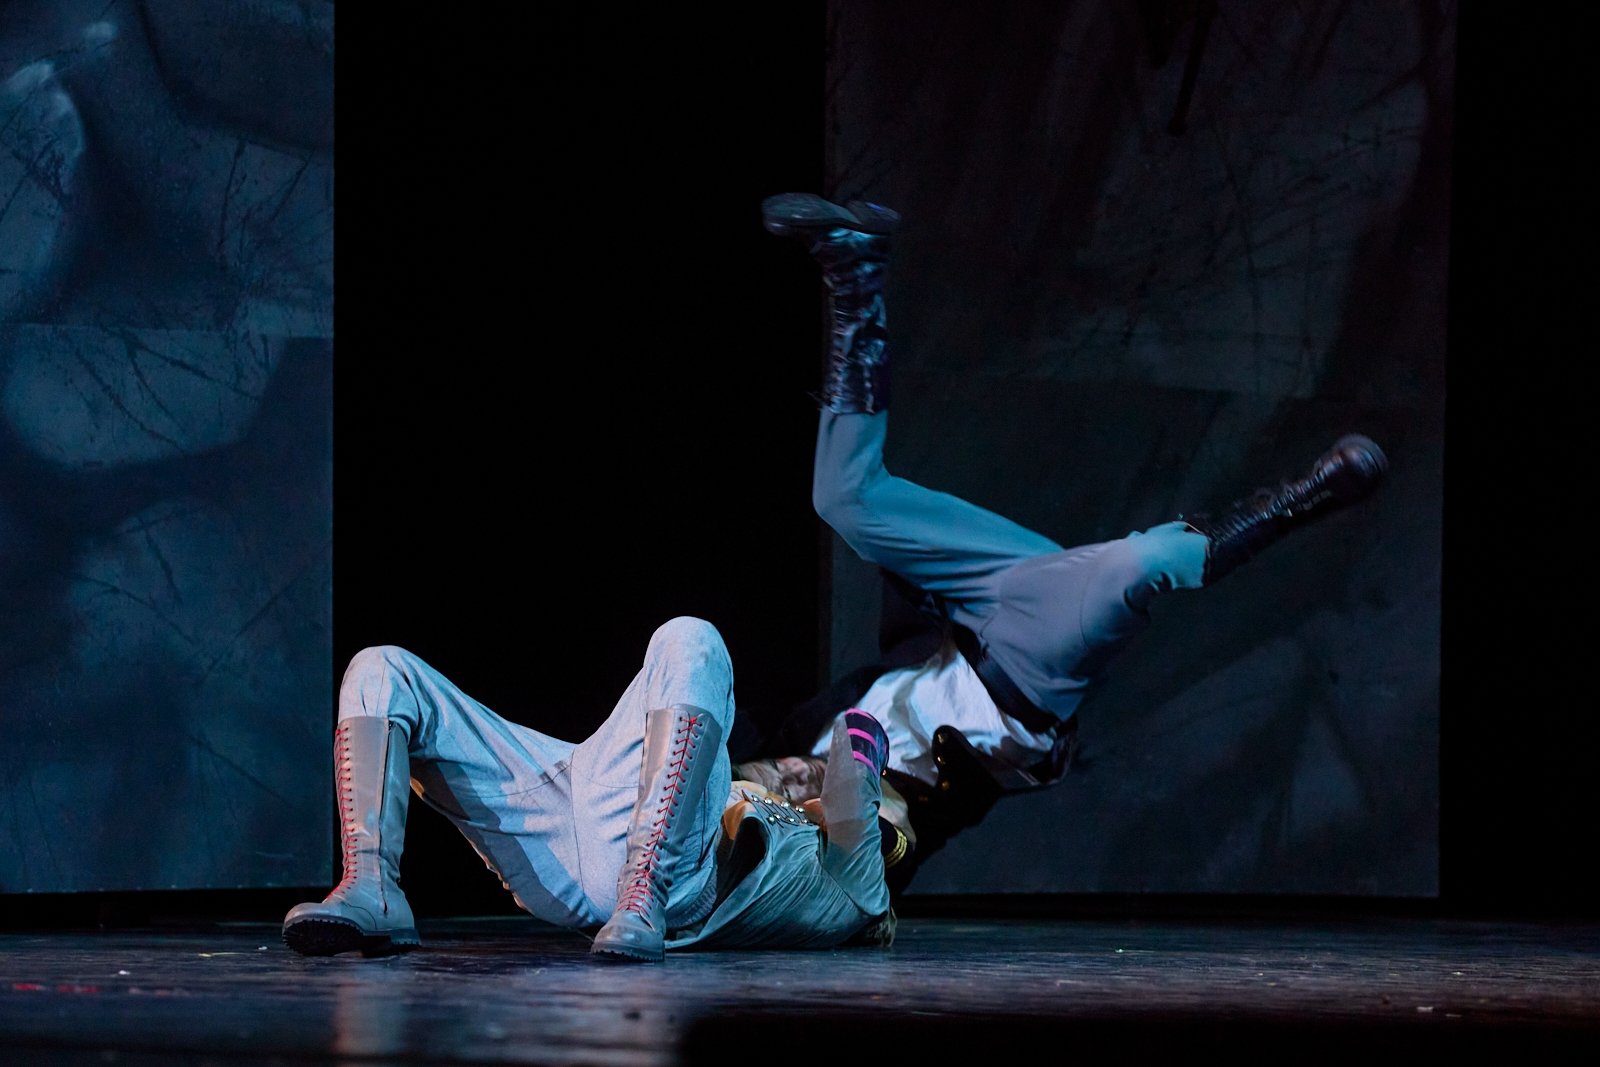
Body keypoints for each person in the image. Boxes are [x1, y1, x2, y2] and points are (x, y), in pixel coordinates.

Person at [729, 192, 1391, 894]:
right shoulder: (877, 834)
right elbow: (883, 846)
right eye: (787, 791)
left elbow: (723, 749)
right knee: (1141, 564)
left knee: (844, 499)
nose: (793, 772)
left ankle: (855, 268)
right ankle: (1300, 498)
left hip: (963, 604)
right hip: (1023, 671)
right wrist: (841, 823)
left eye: (774, 770)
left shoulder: (801, 733)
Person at [280, 617, 900, 962]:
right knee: (382, 668)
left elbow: (859, 741)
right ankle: (370, 885)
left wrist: (873, 787)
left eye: (808, 780)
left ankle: (644, 890)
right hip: (580, 812)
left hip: (669, 884)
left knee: (693, 639)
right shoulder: (739, 799)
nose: (799, 777)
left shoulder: (856, 893)